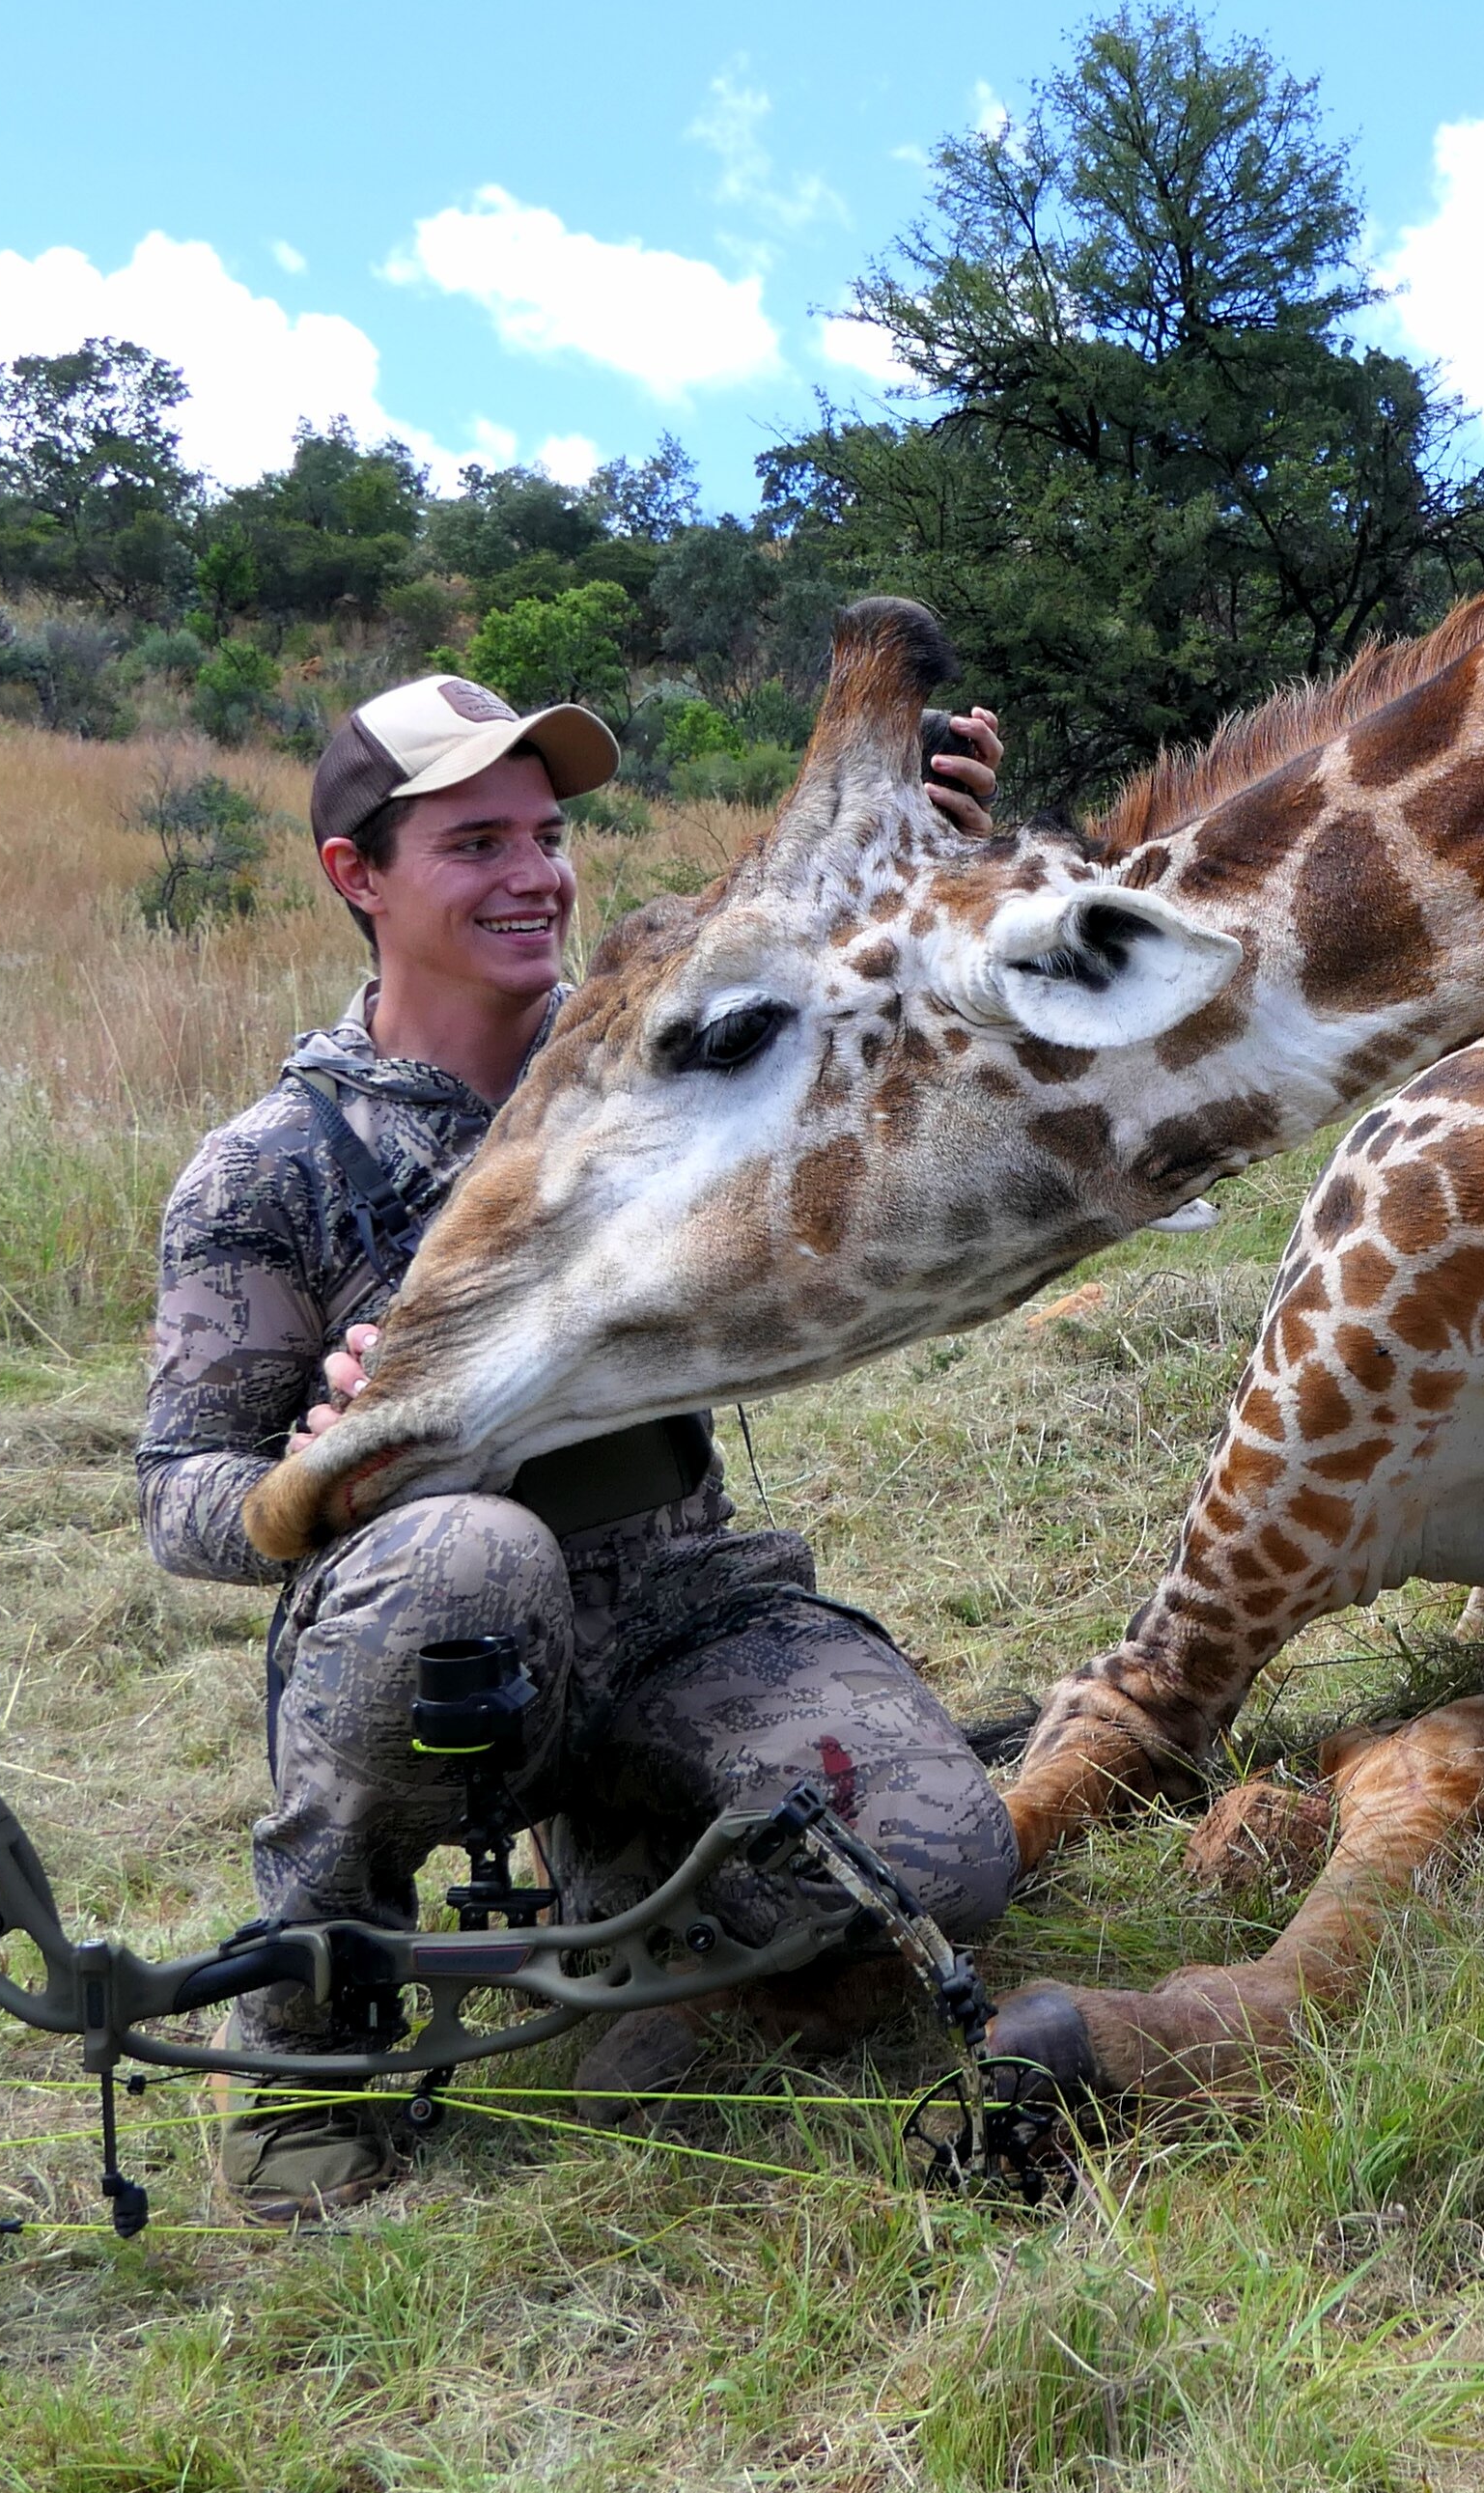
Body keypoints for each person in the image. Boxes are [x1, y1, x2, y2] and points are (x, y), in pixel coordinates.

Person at [136, 668, 1019, 2221]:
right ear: (359, 877)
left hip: (696, 1610)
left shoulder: (658, 1056)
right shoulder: (271, 1172)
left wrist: (916, 865)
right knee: (475, 1553)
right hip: (452, 1647)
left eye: (546, 836)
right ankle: (311, 2031)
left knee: (950, 1870)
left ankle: (625, 1885)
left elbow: (875, 1040)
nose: (536, 875)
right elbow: (179, 1499)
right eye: (476, 843)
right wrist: (314, 1474)